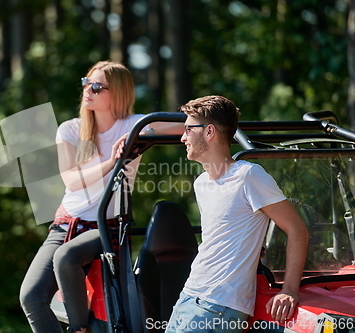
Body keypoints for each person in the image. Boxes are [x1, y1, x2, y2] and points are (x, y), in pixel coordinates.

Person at [20, 60, 181, 333]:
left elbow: (185, 126)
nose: (87, 90)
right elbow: (70, 179)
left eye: (97, 86)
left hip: (106, 227)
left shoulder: (133, 125)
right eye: (86, 82)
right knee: (31, 297)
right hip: (66, 223)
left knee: (66, 257)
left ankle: (79, 329)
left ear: (117, 93)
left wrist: (142, 134)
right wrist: (114, 160)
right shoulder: (70, 129)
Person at [166, 96, 309, 333]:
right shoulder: (201, 183)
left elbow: (297, 230)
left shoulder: (249, 176)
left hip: (219, 306)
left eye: (188, 130)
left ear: (209, 131)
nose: (183, 138)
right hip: (190, 295)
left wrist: (289, 291)